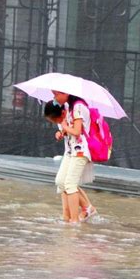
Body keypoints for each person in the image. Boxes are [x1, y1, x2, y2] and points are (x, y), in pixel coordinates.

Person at [44, 91, 97, 223]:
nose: (54, 97)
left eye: (56, 94)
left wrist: (65, 127)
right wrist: (61, 132)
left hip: (80, 151)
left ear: (65, 93)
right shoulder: (66, 108)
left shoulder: (78, 107)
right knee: (61, 182)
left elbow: (77, 131)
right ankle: (68, 217)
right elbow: (68, 130)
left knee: (70, 184)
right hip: (70, 151)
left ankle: (74, 220)